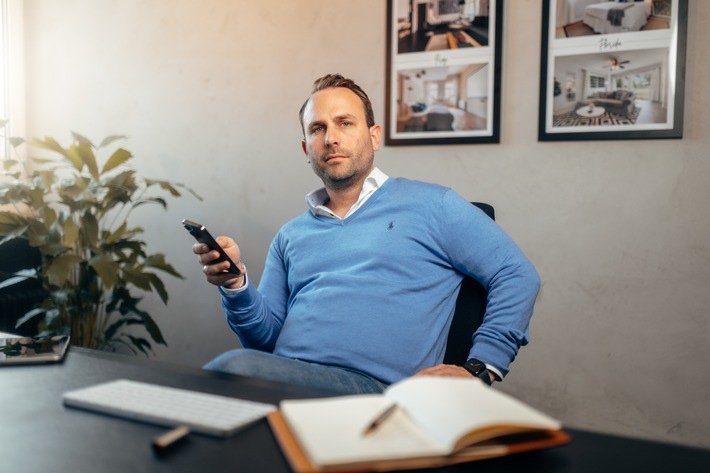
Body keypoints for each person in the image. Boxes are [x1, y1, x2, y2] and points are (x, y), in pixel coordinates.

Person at [193, 73, 540, 394]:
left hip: (375, 393)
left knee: (228, 372)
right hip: (290, 380)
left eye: (344, 122)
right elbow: (264, 344)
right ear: (306, 149)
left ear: (373, 136)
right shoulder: (290, 236)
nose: (330, 138)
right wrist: (235, 285)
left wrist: (480, 367)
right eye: (317, 129)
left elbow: (516, 274)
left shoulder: (434, 205)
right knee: (228, 385)